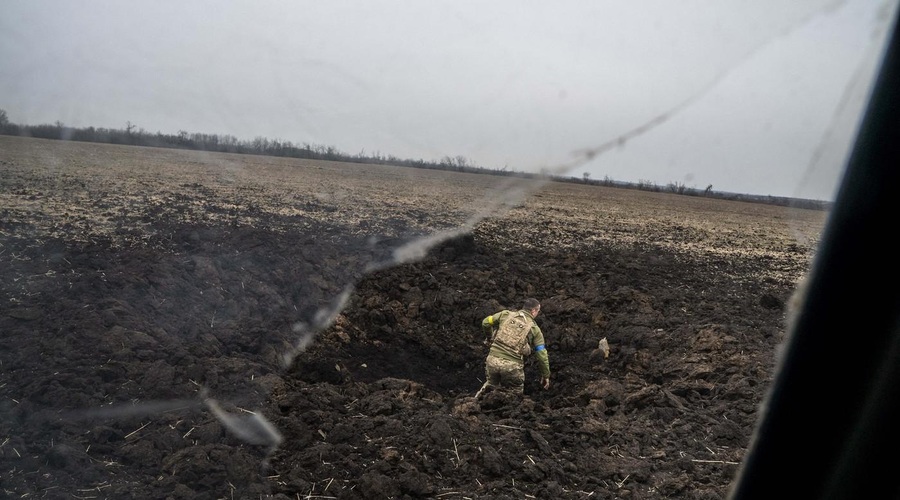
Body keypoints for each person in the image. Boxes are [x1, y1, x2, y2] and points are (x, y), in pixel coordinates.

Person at [474, 298, 550, 398]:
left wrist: (489, 338)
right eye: (538, 311)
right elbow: (541, 354)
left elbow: (485, 322)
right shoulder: (535, 329)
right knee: (514, 394)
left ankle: (474, 404)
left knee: (490, 386)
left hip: (492, 361)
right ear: (533, 311)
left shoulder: (505, 314)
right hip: (512, 367)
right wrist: (546, 375)